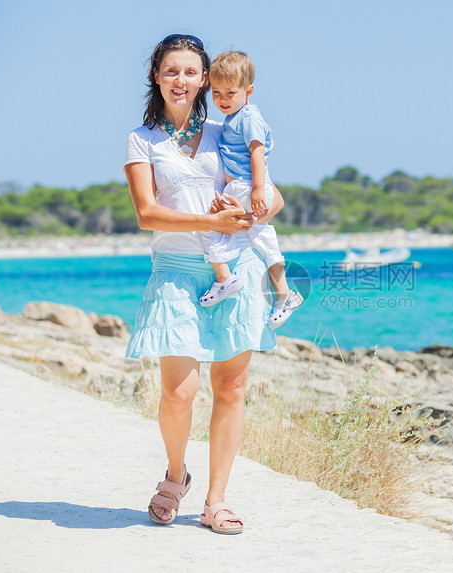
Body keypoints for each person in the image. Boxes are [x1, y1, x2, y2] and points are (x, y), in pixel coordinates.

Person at [123, 33, 282, 534]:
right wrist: (213, 225)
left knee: (231, 388)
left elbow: (271, 198)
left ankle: (216, 501)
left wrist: (248, 211)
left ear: (206, 79)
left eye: (192, 72)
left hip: (235, 271)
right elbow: (147, 214)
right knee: (178, 392)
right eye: (172, 70)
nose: (182, 80)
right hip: (175, 271)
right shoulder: (141, 140)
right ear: (157, 75)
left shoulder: (227, 128)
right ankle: (175, 475)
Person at [198, 50, 303, 329]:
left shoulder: (248, 117)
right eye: (216, 92)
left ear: (249, 91)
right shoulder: (234, 117)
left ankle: (225, 279)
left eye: (230, 93)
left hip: (247, 186)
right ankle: (284, 295)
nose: (222, 99)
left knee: (209, 225)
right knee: (265, 241)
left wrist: (257, 188)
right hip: (247, 185)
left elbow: (257, 151)